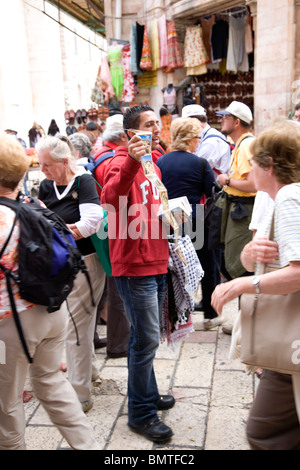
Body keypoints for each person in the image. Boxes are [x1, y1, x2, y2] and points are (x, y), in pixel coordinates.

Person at [0, 135, 100, 450]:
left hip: (10, 327)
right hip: (51, 314)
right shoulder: (33, 205)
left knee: (6, 400)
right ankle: (89, 447)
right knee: (52, 384)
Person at [211, 120, 300, 450]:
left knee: (265, 433)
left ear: (270, 165)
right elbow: (252, 257)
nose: (247, 172)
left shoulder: (289, 196)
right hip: (285, 343)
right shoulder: (271, 197)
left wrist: (241, 286)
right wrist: (250, 256)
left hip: (290, 339)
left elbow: (297, 273)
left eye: (253, 163)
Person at [101, 104, 174, 443]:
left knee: (148, 337)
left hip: (155, 258)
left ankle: (149, 394)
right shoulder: (120, 161)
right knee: (143, 340)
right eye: (148, 125)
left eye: (157, 122)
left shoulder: (153, 162)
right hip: (134, 265)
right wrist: (130, 159)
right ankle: (141, 414)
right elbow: (110, 198)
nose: (156, 128)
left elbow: (152, 206)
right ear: (131, 133)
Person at [36, 135, 106, 414]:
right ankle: (90, 373)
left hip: (85, 262)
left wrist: (54, 228)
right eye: (40, 165)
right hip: (58, 262)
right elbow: (39, 217)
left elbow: (90, 223)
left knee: (75, 325)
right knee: (81, 322)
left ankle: (80, 394)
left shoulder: (83, 182)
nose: (42, 170)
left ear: (65, 162)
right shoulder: (45, 185)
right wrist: (62, 227)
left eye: (47, 165)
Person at [156, 117, 222, 329]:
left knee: (173, 268)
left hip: (169, 220)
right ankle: (211, 315)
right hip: (196, 219)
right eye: (197, 137)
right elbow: (211, 191)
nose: (198, 141)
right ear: (190, 138)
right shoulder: (200, 163)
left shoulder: (161, 162)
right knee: (208, 266)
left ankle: (176, 315)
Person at [93, 113, 130, 358]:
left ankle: (98, 335)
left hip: (109, 225)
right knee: (116, 289)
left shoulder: (102, 155)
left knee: (107, 288)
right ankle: (117, 345)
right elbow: (115, 199)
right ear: (123, 136)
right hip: (114, 227)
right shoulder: (112, 160)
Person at [215, 100, 256, 280]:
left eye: (226, 117)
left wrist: (228, 180)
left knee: (239, 264)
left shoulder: (246, 145)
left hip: (243, 212)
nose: (222, 120)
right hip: (239, 210)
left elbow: (253, 184)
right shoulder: (242, 144)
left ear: (237, 122)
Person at [181, 104, 231, 179]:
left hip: (216, 188)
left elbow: (196, 169)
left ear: (195, 121)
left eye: (185, 123)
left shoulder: (211, 142)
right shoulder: (207, 136)